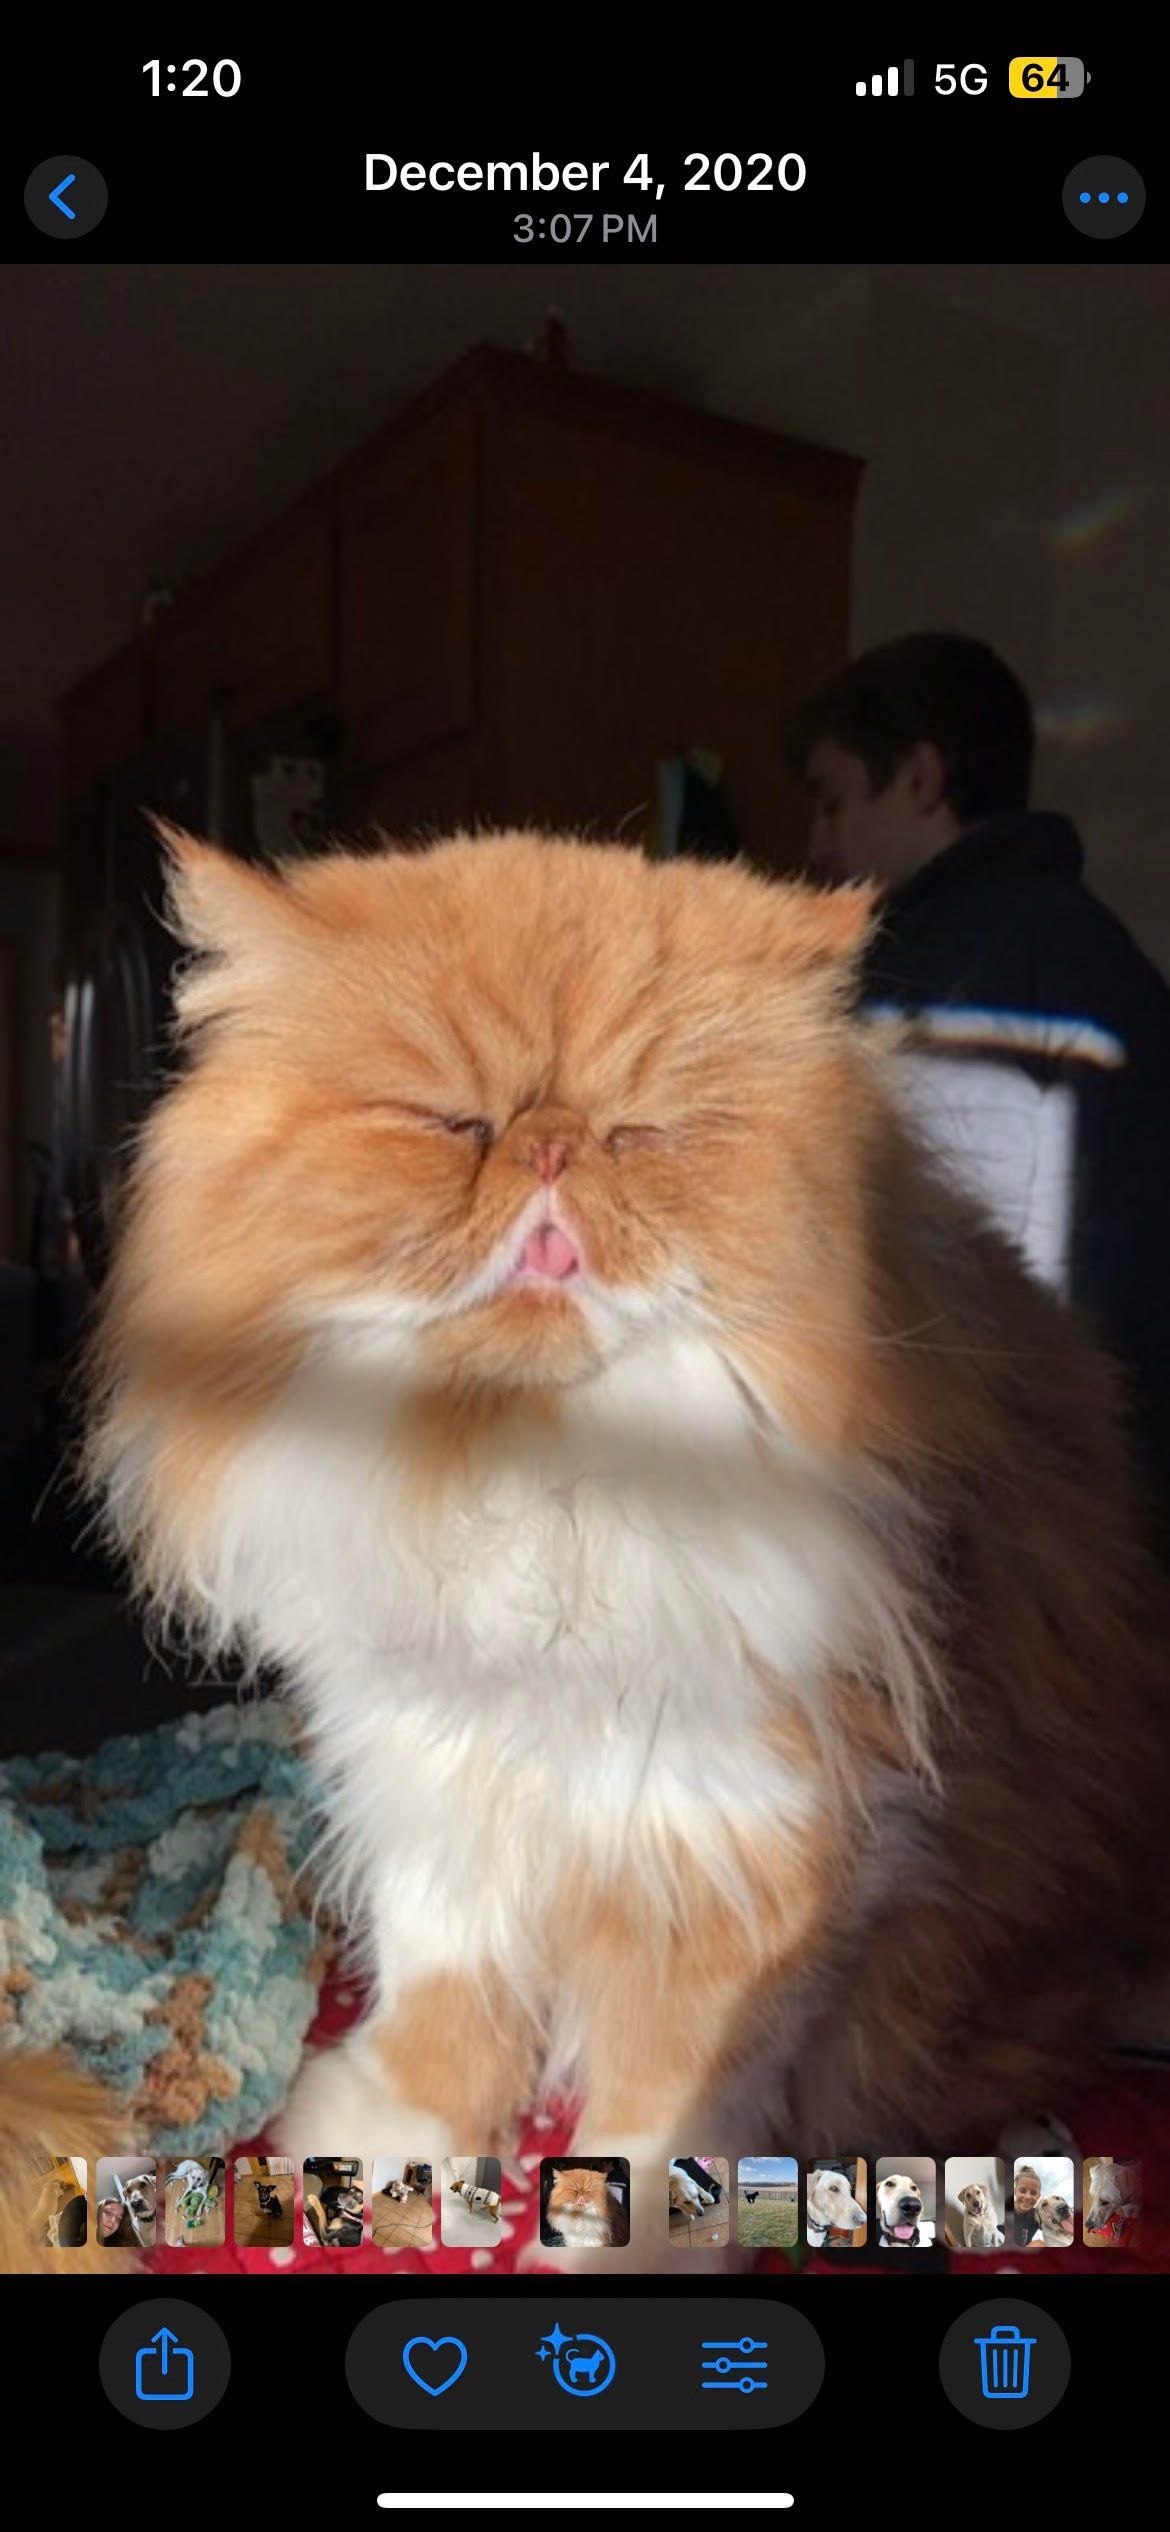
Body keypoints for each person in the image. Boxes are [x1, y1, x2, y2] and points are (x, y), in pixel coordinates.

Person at [787, 631, 1170, 1550]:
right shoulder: (1091, 953)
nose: (817, 844)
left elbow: (960, 1321)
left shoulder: (971, 974)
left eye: (833, 802)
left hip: (1024, 1549)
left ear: (920, 778)